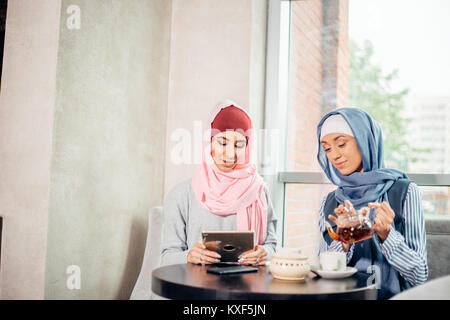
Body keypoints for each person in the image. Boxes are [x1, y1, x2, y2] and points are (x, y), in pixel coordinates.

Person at [316, 107, 428, 299]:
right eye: (327, 148)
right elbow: (322, 271)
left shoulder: (404, 192)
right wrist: (343, 241)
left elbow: (419, 276)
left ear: (364, 140)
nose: (334, 155)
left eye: (341, 144)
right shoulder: (330, 202)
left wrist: (387, 234)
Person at [160, 100, 277, 267]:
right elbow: (166, 257)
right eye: (222, 143)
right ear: (209, 142)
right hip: (195, 289)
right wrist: (189, 256)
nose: (230, 153)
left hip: (247, 287)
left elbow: (272, 246)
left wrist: (264, 254)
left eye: (239, 145)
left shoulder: (258, 191)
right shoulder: (181, 195)